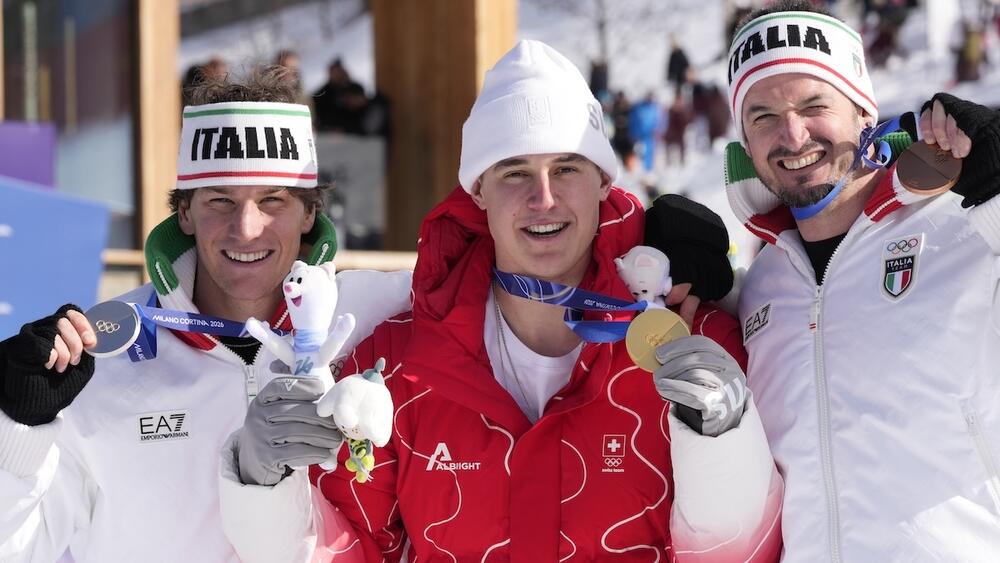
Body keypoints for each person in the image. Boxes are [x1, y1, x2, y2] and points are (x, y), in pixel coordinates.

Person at [220, 39, 783, 562]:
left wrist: (724, 447)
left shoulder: (688, 338)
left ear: (603, 185)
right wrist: (262, 488)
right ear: (478, 191)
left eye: (566, 168)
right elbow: (348, 549)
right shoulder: (398, 368)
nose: (543, 198)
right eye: (515, 173)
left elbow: (738, 554)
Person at [0, 67, 411, 562]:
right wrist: (16, 426)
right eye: (220, 200)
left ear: (309, 213)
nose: (247, 228)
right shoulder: (103, 350)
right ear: (186, 213)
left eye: (272, 201)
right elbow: (20, 548)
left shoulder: (380, 315)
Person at [723, 1, 1000, 560]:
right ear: (746, 146)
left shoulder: (966, 234)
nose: (793, 135)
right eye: (763, 117)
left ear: (862, 111)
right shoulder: (758, 290)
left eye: (814, 104)